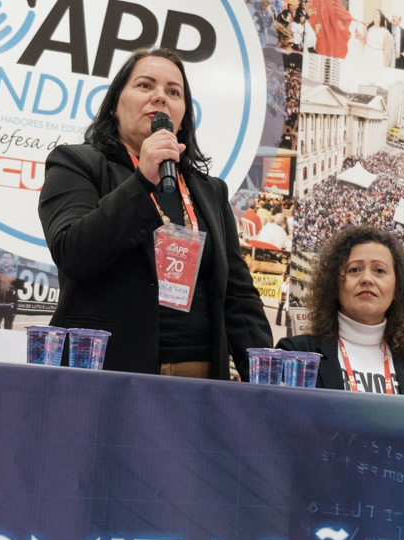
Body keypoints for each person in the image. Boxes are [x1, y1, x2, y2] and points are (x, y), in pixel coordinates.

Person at [38, 47, 271, 378]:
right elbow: (73, 253)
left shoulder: (211, 191)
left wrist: (265, 376)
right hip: (109, 371)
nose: (160, 97)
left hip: (199, 376)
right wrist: (141, 182)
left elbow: (237, 294)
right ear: (115, 104)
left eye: (173, 92)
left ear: (183, 116)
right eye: (145, 85)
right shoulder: (75, 163)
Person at [276, 225, 404, 395]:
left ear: (397, 289)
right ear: (335, 285)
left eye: (379, 270)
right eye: (354, 270)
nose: (367, 279)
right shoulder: (294, 353)